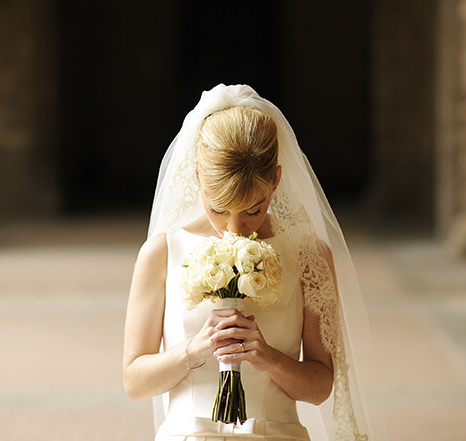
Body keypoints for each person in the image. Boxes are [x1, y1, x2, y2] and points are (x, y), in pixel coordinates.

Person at [123, 84, 371, 441]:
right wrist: (195, 348)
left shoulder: (308, 255)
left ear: (276, 181)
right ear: (197, 179)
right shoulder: (161, 252)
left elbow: (320, 387)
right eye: (218, 209)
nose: (234, 228)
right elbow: (135, 382)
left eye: (254, 209)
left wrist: (268, 357)